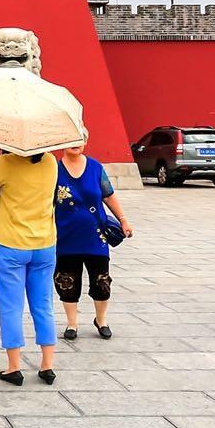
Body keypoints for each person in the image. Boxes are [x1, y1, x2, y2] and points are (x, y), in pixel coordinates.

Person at [0, 146, 59, 386]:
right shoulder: (51, 161)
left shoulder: (6, 163)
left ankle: (14, 367)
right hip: (44, 243)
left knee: (11, 306)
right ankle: (47, 365)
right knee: (44, 304)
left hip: (11, 243)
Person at [55, 139, 133, 341]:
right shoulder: (54, 169)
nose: (76, 143)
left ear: (86, 142)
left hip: (95, 236)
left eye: (80, 139)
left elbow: (108, 196)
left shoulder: (95, 167)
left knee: (101, 280)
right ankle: (72, 323)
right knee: (67, 280)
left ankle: (101, 319)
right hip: (66, 235)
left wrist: (123, 220)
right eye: (72, 139)